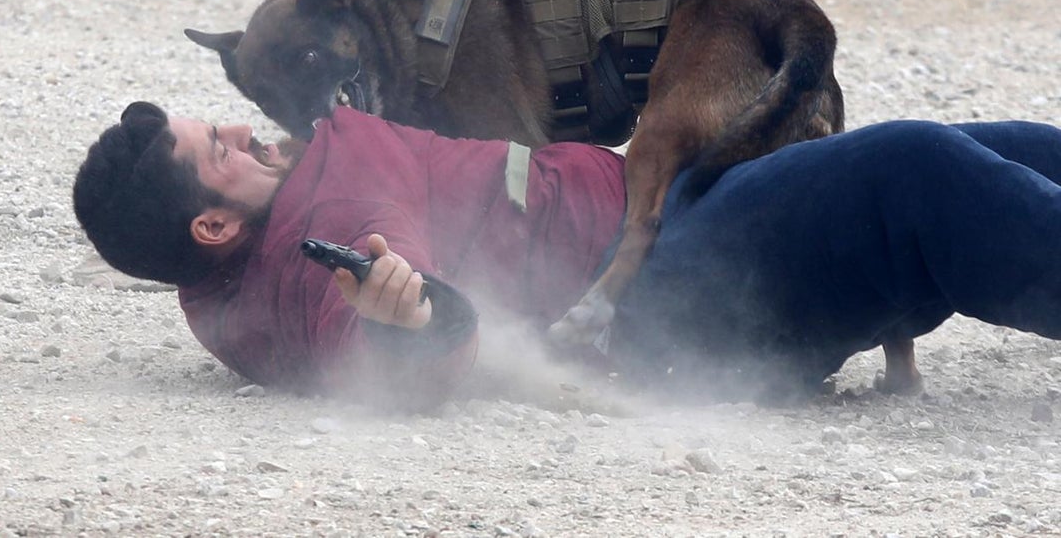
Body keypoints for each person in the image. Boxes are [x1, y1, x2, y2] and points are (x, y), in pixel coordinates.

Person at [72, 102, 1061, 407]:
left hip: (668, 215)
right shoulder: (334, 202)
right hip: (673, 283)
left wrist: (403, 326)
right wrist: (411, 326)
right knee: (918, 168)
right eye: (221, 152)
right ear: (210, 224)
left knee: (983, 155)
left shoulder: (221, 297)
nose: (246, 134)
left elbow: (332, 328)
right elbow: (371, 330)